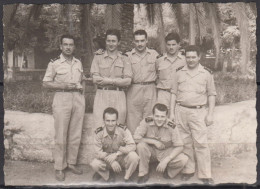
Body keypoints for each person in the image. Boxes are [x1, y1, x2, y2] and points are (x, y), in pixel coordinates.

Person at [170, 45, 216, 184]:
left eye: (193, 57)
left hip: (198, 112)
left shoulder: (206, 73)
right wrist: (171, 113)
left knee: (201, 143)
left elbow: (211, 94)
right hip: (181, 111)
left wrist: (210, 114)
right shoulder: (178, 72)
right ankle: (188, 170)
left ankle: (205, 174)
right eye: (188, 57)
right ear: (185, 57)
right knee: (185, 143)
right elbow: (173, 93)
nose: (190, 60)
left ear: (199, 57)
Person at [42, 34, 85, 181]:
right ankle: (60, 167)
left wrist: (82, 93)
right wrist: (63, 85)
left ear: (74, 47)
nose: (68, 47)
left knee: (75, 133)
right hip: (61, 97)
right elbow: (46, 83)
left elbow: (82, 80)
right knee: (61, 134)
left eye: (71, 44)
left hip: (78, 99)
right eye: (65, 44)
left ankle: (71, 163)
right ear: (60, 46)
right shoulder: (54, 63)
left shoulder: (78, 63)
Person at [133, 103, 188, 183]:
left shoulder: (171, 126)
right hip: (151, 152)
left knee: (183, 159)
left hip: (165, 152)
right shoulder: (146, 121)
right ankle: (143, 173)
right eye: (157, 116)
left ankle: (169, 172)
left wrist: (167, 159)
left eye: (162, 117)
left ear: (166, 117)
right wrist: (154, 141)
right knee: (141, 146)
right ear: (153, 115)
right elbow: (135, 138)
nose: (159, 119)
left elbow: (180, 146)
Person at [90, 29, 133, 130]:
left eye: (113, 41)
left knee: (119, 126)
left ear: (119, 42)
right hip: (102, 95)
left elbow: (128, 81)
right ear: (105, 41)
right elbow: (95, 79)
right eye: (108, 41)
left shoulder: (125, 58)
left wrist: (108, 81)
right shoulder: (98, 57)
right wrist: (118, 81)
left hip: (119, 96)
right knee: (99, 126)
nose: (111, 44)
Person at [90, 107, 139, 182]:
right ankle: (108, 176)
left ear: (117, 120)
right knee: (94, 163)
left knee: (134, 156)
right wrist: (112, 161)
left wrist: (117, 154)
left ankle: (127, 177)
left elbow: (132, 146)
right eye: (108, 121)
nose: (110, 124)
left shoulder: (123, 130)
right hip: (107, 159)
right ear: (104, 121)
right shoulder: (99, 132)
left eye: (113, 121)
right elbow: (98, 152)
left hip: (120, 158)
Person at [126, 30, 159, 134]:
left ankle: (148, 146)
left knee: (150, 118)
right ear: (133, 42)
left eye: (142, 41)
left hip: (150, 89)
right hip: (134, 89)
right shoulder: (127, 56)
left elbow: (159, 72)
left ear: (147, 41)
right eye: (137, 41)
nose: (139, 44)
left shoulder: (154, 54)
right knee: (133, 119)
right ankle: (134, 146)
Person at [156, 32, 186, 110]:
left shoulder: (184, 60)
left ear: (178, 44)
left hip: (179, 94)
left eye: (173, 44)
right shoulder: (160, 60)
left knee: (177, 118)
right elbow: (156, 76)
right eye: (169, 45)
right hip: (163, 94)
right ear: (166, 45)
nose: (171, 47)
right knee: (162, 118)